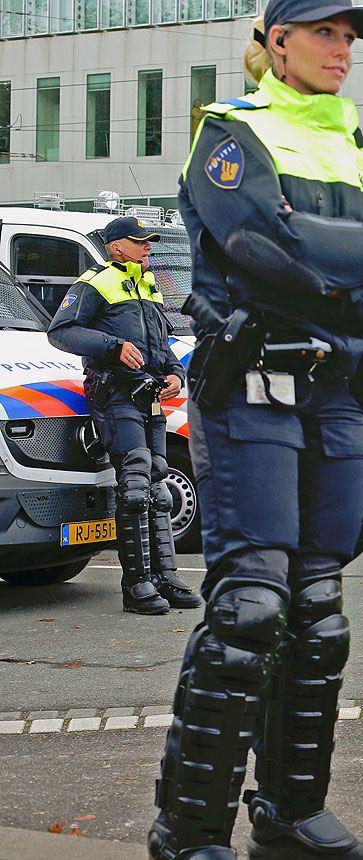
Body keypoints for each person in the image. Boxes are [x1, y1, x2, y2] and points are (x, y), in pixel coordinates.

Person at [149, 2, 363, 857]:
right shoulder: (231, 135)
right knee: (249, 608)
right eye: (324, 33)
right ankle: (189, 830)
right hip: (250, 390)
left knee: (319, 611)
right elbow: (260, 241)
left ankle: (287, 813)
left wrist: (339, 279)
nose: (341, 50)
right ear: (278, 42)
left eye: (350, 38)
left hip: (341, 396)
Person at [48, 216, 197, 616]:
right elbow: (60, 331)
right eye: (140, 241)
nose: (148, 247)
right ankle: (136, 586)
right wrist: (113, 346)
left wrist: (174, 374)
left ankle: (165, 577)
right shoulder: (94, 281)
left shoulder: (149, 286)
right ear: (117, 247)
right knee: (134, 481)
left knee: (159, 486)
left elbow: (162, 346)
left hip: (148, 396)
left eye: (149, 242)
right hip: (113, 392)